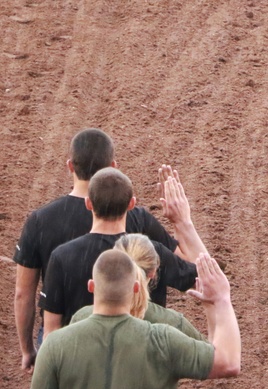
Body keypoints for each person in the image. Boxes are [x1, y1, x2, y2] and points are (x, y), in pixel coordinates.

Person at [24, 249, 240, 389]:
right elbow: (229, 362)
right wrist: (221, 300)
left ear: (91, 286)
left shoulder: (56, 344)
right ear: (137, 288)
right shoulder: (161, 339)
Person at [13, 128, 178, 372]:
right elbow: (183, 260)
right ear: (113, 165)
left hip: (66, 341)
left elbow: (23, 294)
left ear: (70, 166)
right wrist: (182, 221)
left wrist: (28, 350)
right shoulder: (135, 218)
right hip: (127, 339)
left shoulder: (40, 221)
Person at [69, 234, 206, 389]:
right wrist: (217, 304)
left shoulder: (81, 319)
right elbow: (216, 359)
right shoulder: (170, 324)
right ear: (153, 273)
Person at [39, 168, 205, 337]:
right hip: (145, 357)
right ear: (131, 204)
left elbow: (51, 331)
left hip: (83, 357)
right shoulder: (152, 252)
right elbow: (206, 279)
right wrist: (182, 221)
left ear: (88, 203)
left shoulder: (61, 257)